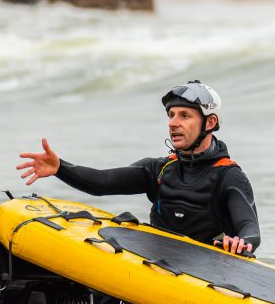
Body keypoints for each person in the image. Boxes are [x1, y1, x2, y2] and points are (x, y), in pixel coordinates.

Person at [17, 80, 260, 254]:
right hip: (158, 268)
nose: (173, 123)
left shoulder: (229, 175)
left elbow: (250, 229)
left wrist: (241, 242)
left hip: (210, 276)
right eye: (171, 115)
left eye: (184, 116)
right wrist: (60, 167)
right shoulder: (160, 169)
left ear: (210, 122)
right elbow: (101, 183)